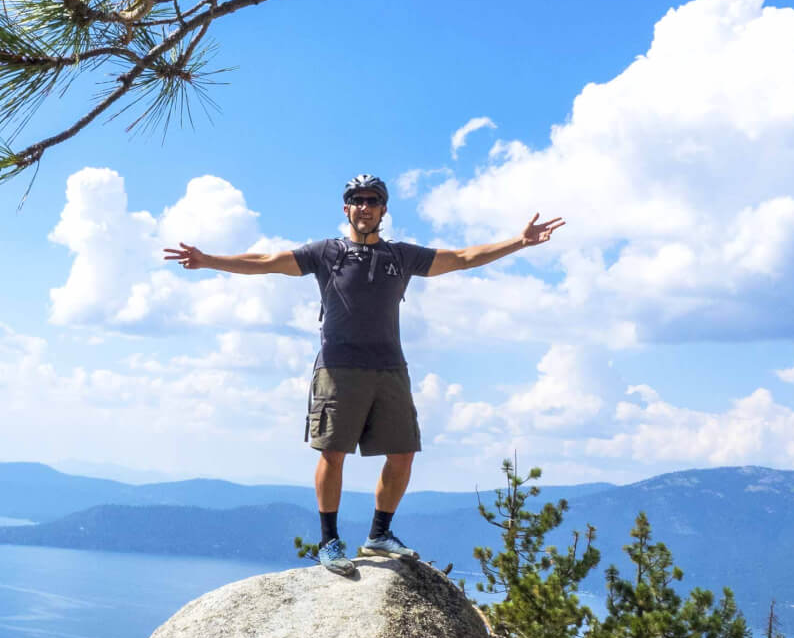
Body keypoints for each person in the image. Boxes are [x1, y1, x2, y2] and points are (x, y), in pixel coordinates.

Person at [163, 174, 563, 570]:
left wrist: (519, 241)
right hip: (338, 368)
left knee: (403, 454)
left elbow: (461, 259)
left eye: (373, 200)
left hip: (390, 368)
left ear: (383, 209)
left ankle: (378, 535)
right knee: (333, 454)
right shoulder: (327, 253)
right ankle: (329, 541)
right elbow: (267, 262)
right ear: (346, 208)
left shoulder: (400, 256)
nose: (365, 207)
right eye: (357, 200)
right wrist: (208, 260)